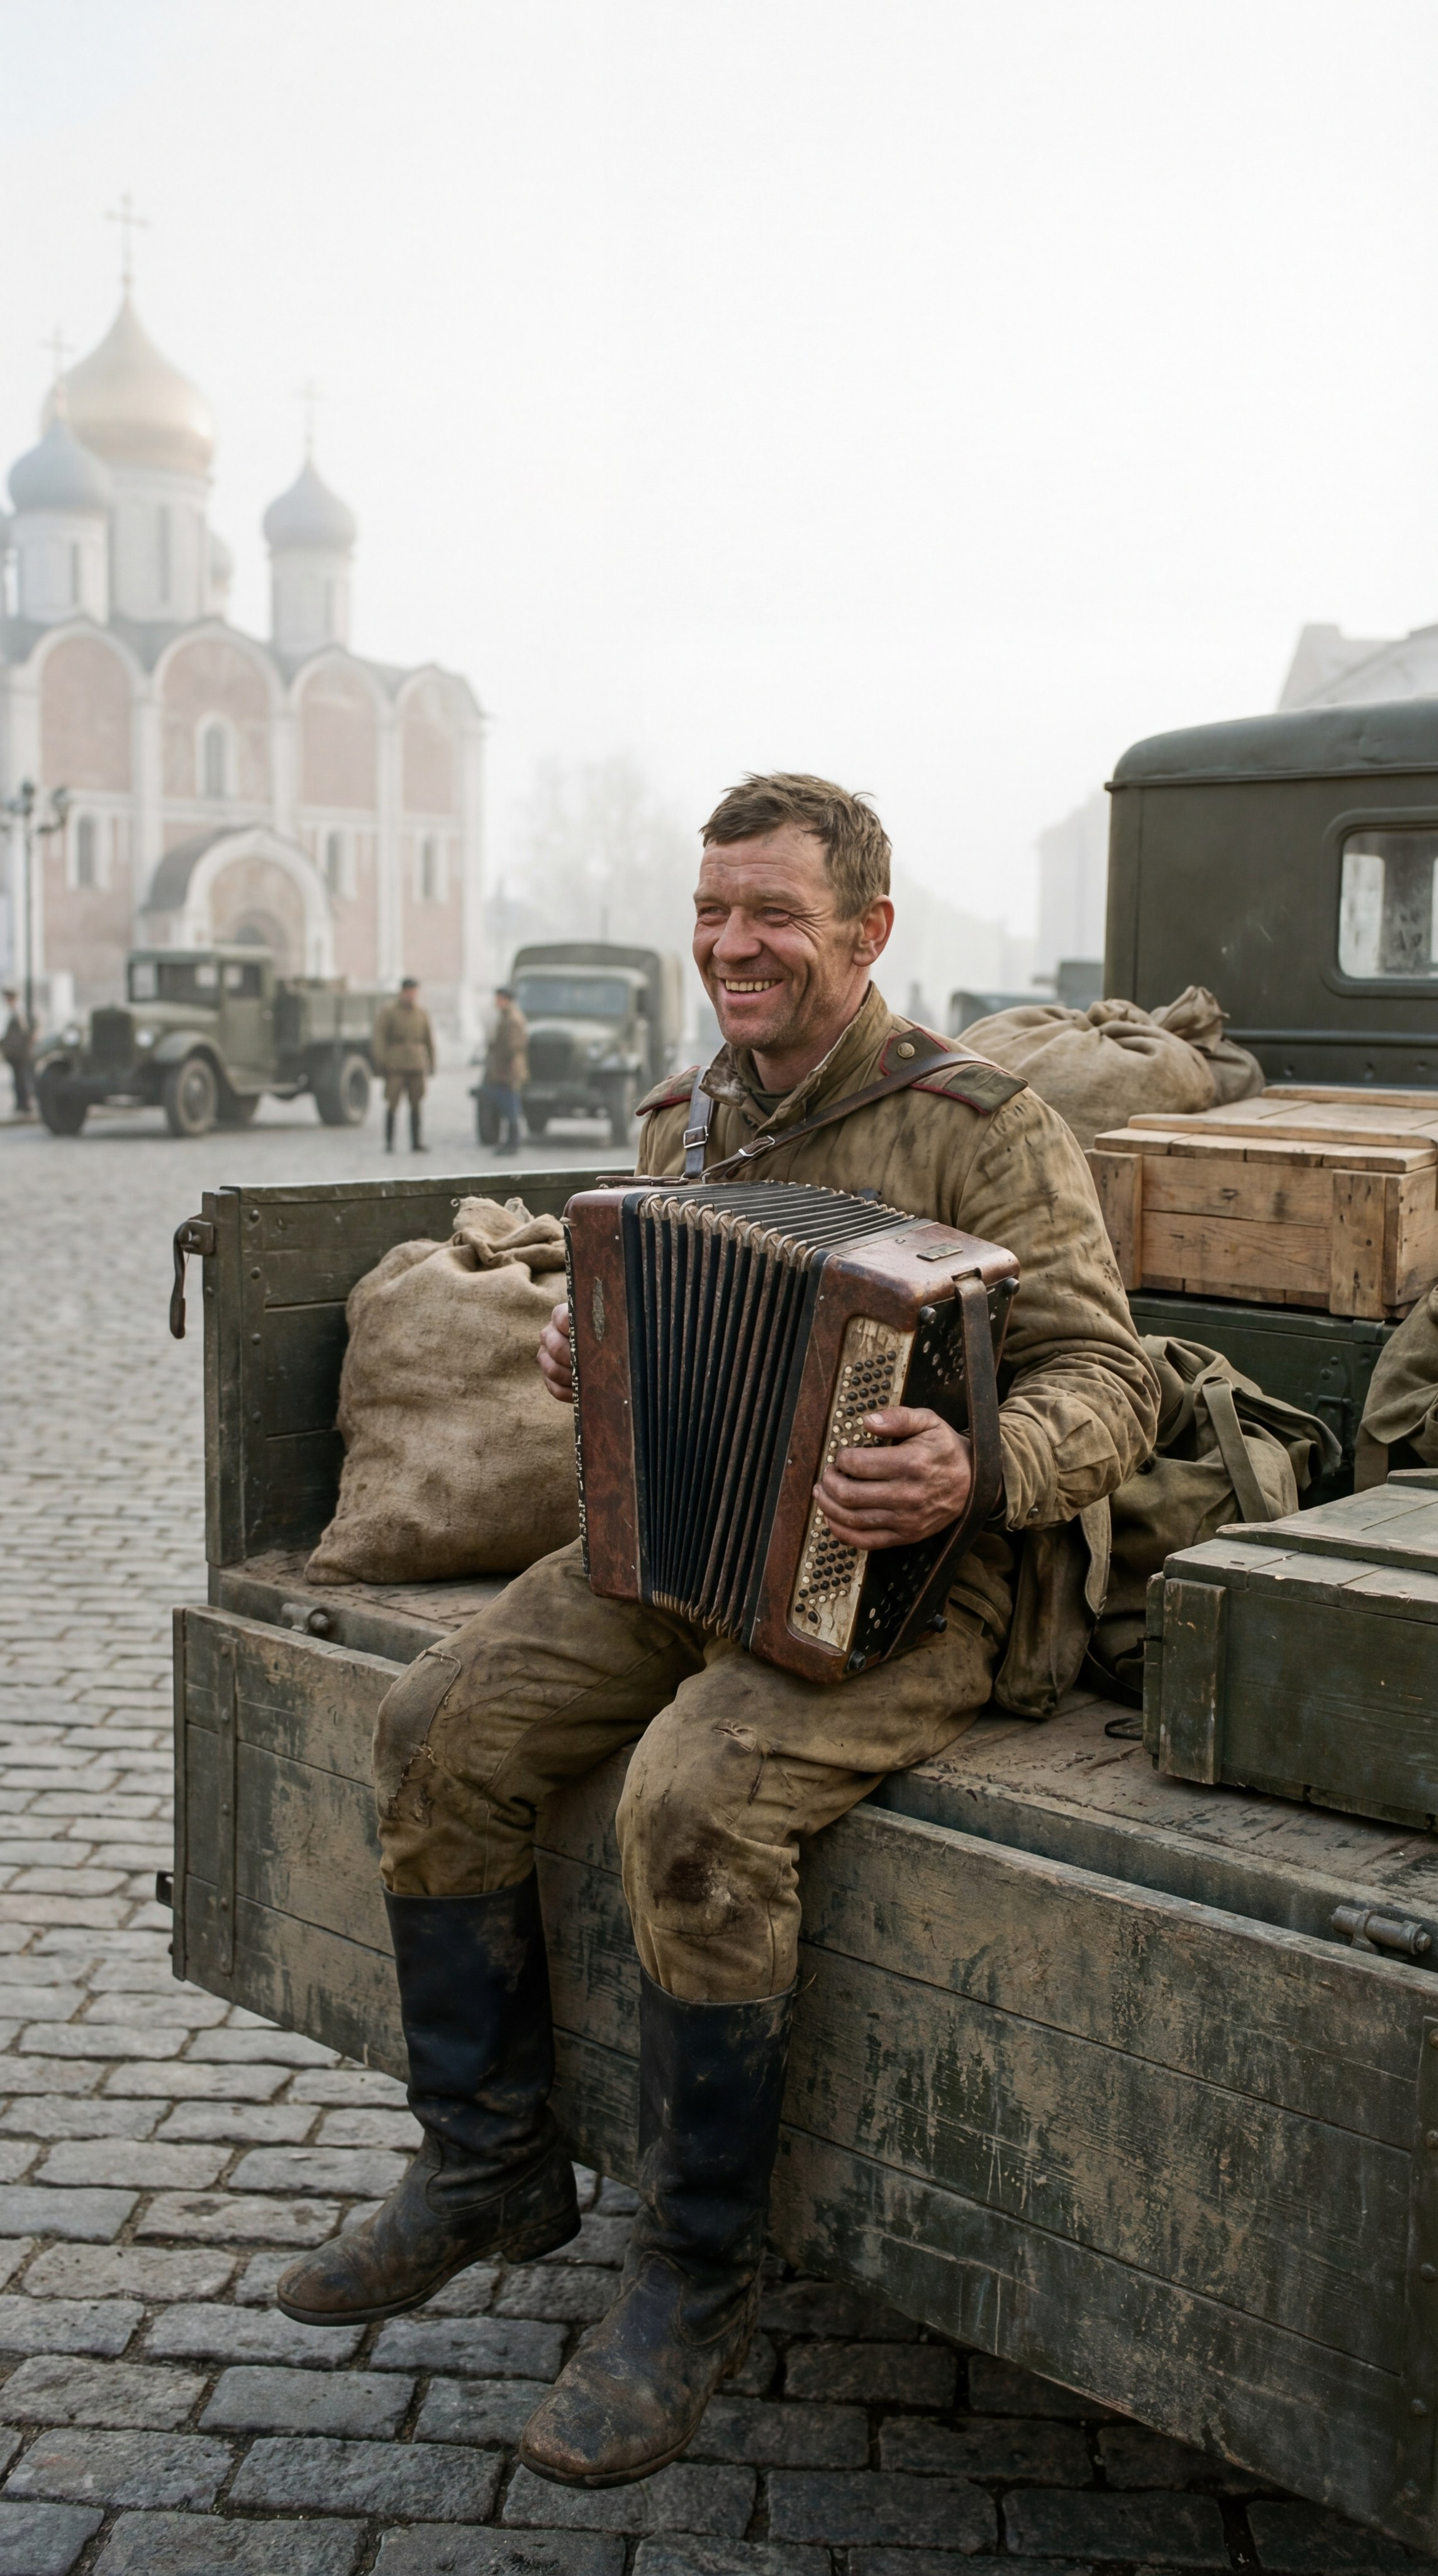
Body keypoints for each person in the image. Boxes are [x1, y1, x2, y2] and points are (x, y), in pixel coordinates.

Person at [277, 772, 1159, 2489]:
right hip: (681, 1545)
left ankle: (691, 2274)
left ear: (864, 934)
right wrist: (584, 1353)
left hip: (911, 1582)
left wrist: (972, 1464)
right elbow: (636, 1311)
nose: (729, 946)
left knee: (691, 1806)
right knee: (430, 1734)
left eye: (770, 916)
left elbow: (1107, 1382)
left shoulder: (978, 1125)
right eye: (711, 912)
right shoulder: (682, 1112)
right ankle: (486, 2165)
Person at [373, 977, 435, 1153]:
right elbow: (380, 1038)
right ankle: (389, 1143)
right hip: (396, 1065)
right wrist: (382, 1062)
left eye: (414, 993)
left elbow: (429, 1040)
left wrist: (431, 1062)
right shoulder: (389, 1011)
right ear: (402, 992)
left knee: (416, 1103)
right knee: (392, 1103)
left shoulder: (422, 1013)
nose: (412, 996)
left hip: (416, 1064)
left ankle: (416, 1142)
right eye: (409, 992)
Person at [482, 985, 528, 1152]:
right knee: (508, 1104)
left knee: (510, 1106)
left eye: (499, 999)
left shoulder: (512, 1019)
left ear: (505, 999)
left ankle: (513, 1142)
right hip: (506, 1067)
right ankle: (511, 1141)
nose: (496, 1002)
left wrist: (501, 1066)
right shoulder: (507, 1016)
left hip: (509, 1068)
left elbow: (512, 1047)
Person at [2, 991, 35, 1116]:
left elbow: (26, 1032)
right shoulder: (11, 1013)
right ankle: (20, 1103)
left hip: (21, 1053)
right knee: (17, 1079)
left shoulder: (20, 1012)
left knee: (22, 1078)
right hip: (13, 1053)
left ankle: (25, 1103)